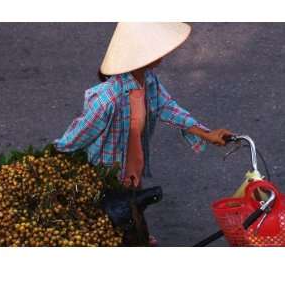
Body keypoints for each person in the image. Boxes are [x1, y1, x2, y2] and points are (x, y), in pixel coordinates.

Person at [53, 22, 233, 246]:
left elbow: (167, 107)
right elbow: (78, 135)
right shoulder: (107, 99)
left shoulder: (148, 81)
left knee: (133, 203)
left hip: (132, 163)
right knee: (113, 219)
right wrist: (54, 156)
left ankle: (139, 237)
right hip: (108, 171)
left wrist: (208, 134)